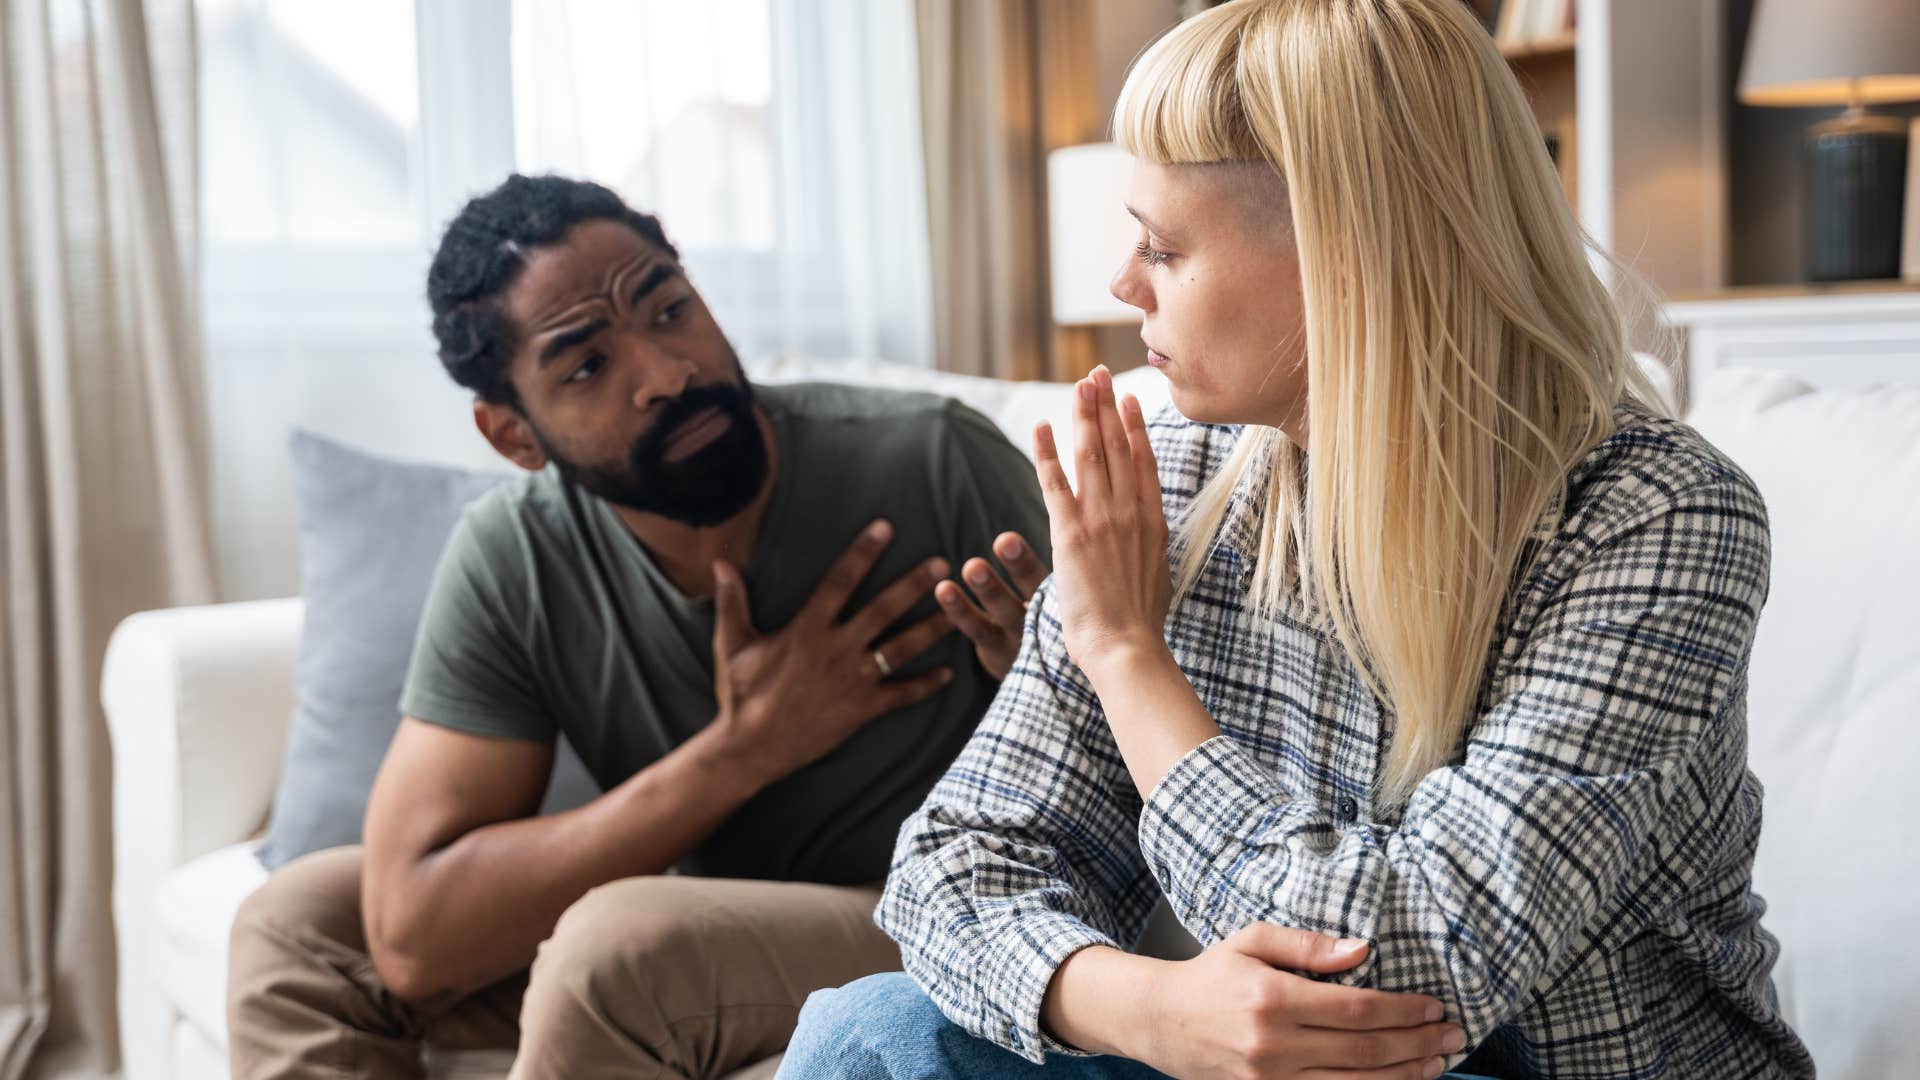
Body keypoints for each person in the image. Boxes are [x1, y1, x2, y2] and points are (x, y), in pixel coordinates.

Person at [780, 1, 1816, 1077]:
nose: (1123, 286)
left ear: (1349, 259)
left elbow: (1413, 968)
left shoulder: (1657, 516)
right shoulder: (1174, 476)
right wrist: (1146, 1009)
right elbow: (954, 868)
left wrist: (1128, 659)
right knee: (867, 1032)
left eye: (1163, 248)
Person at [225, 174, 1056, 1079]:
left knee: (614, 951)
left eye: (669, 310)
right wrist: (745, 749)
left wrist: (1051, 670)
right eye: (587, 366)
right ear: (514, 437)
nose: (667, 373)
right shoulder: (517, 558)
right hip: (708, 918)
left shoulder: (935, 456)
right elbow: (410, 934)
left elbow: (1155, 704)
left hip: (937, 906)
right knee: (300, 924)